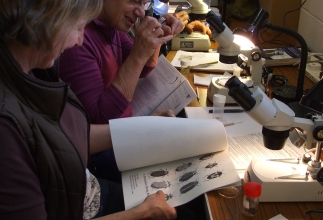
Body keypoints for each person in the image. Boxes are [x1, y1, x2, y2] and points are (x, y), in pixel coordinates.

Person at [0, 0, 178, 219]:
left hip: (85, 190)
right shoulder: (5, 126)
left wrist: (143, 127)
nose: (80, 40)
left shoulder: (32, 71)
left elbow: (68, 136)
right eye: (77, 27)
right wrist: (140, 213)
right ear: (42, 21)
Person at [58, 0, 185, 182]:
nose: (141, 13)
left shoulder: (111, 26)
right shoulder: (79, 41)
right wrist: (140, 53)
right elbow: (100, 119)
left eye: (144, 3)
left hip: (124, 130)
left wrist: (157, 37)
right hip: (101, 152)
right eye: (134, 1)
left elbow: (142, 69)